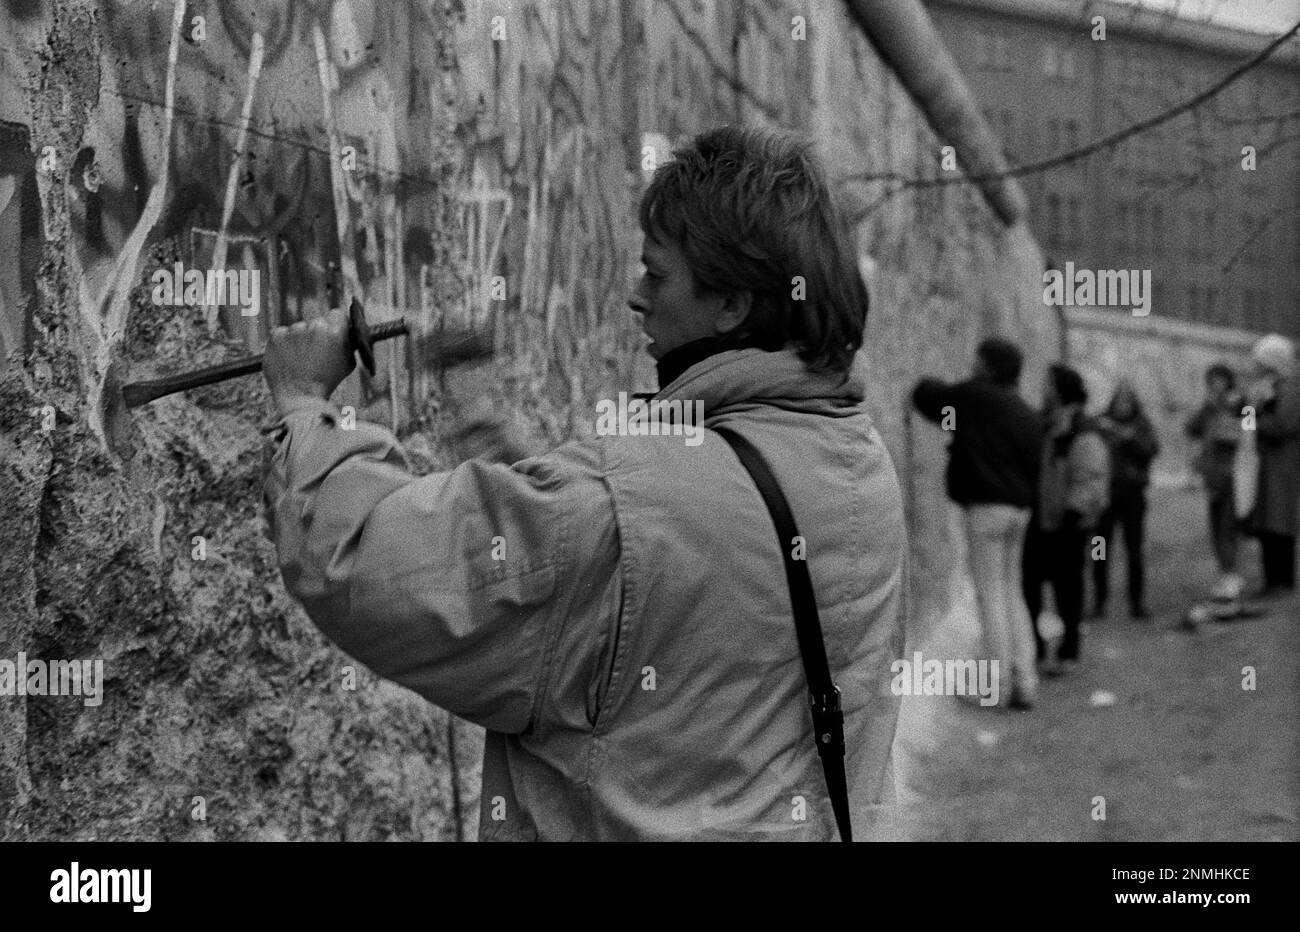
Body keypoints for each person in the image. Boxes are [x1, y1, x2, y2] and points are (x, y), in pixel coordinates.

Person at [259, 126, 907, 841]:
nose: (636, 297)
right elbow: (642, 597)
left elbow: (360, 564)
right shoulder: (860, 462)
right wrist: (491, 438)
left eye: (657, 275)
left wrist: (302, 403)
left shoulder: (621, 503)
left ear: (733, 305)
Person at [912, 338, 1043, 709]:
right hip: (1020, 510)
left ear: (987, 366)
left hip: (986, 509)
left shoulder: (976, 398)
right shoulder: (1027, 413)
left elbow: (930, 398)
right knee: (1011, 591)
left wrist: (921, 384)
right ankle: (1025, 679)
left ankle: (995, 686)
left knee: (990, 596)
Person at [1022, 364, 1109, 671]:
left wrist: (1073, 516)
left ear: (1059, 390)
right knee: (1030, 583)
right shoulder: (1048, 424)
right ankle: (1037, 648)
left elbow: (1090, 477)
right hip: (1043, 519)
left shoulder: (1080, 429)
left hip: (1067, 523)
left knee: (1067, 588)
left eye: (1047, 385)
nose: (1042, 390)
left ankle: (1068, 650)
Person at [1092, 380, 1160, 619]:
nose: (1123, 405)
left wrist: (1128, 437)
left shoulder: (1141, 425)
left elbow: (1151, 450)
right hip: (1105, 497)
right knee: (1099, 549)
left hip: (1132, 496)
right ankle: (1098, 601)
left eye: (1127, 400)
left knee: (1134, 550)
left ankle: (1136, 602)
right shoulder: (1100, 423)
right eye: (1119, 400)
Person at [1244, 334, 1300, 596]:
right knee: (1266, 523)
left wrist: (1255, 418)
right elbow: (1247, 421)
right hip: (1264, 464)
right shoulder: (1266, 388)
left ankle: (1283, 581)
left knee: (1280, 522)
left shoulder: (1291, 389)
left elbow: (1284, 426)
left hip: (1283, 465)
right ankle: (1271, 580)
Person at [1185, 363, 1245, 600]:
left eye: (1219, 379)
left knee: (1228, 528)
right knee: (1216, 529)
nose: (1215, 384)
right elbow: (1191, 428)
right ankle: (1225, 575)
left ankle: (1232, 576)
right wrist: (1207, 408)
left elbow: (1250, 430)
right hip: (1213, 476)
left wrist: (1229, 422)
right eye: (1212, 380)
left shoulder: (1242, 403)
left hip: (1234, 474)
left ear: (1228, 380)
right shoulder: (1209, 407)